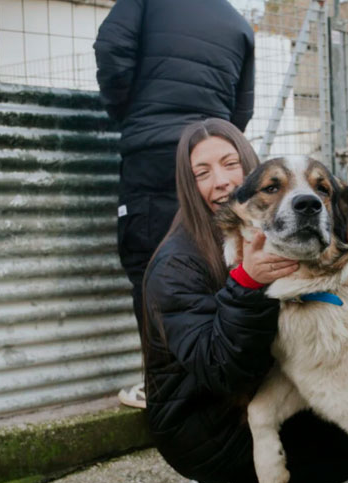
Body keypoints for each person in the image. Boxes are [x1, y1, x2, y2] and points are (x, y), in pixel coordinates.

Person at [141, 118, 348, 483]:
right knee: (347, 443)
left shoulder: (272, 234)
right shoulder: (176, 264)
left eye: (230, 164)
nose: (222, 181)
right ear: (188, 187)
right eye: (201, 173)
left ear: (250, 169)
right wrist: (245, 284)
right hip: (200, 421)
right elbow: (221, 372)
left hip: (250, 395)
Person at [94, 0, 256, 409]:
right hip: (211, 159)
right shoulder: (237, 23)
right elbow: (242, 109)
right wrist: (216, 144)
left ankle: (161, 387)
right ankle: (220, 377)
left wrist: (128, 113)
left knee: (149, 267)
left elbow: (111, 49)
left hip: (152, 155)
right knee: (213, 260)